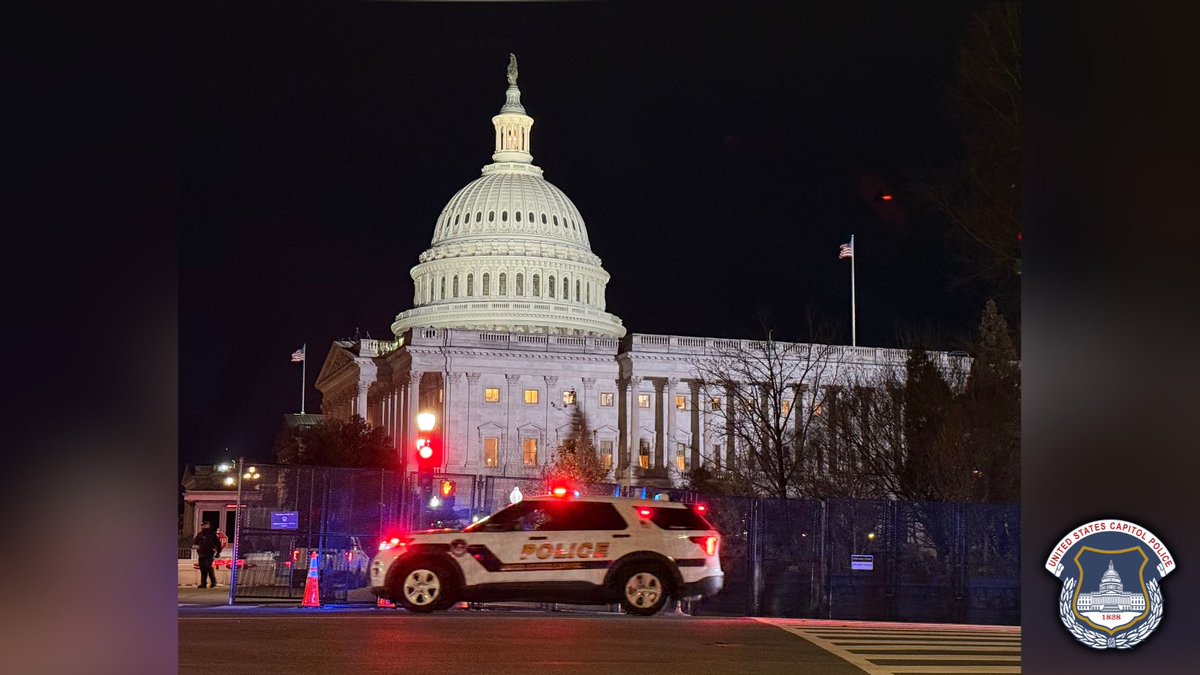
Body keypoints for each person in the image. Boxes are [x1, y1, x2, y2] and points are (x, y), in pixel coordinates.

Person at [193, 521, 223, 588]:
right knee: (202, 568)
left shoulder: (212, 534)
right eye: (202, 525)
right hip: (201, 554)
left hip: (209, 553)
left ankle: (213, 582)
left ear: (208, 525)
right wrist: (195, 546)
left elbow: (218, 544)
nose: (203, 526)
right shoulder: (200, 534)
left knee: (207, 566)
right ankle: (203, 583)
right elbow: (194, 543)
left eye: (204, 525)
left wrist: (218, 553)